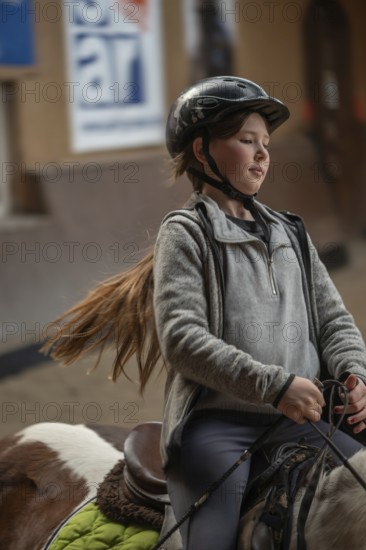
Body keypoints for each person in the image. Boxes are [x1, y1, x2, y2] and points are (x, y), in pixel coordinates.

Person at [45, 76, 366, 550]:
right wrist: (275, 386)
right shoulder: (185, 234)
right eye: (246, 141)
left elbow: (335, 322)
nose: (262, 154)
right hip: (221, 426)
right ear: (202, 151)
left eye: (266, 143)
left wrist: (354, 372)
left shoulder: (291, 233)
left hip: (303, 417)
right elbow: (184, 339)